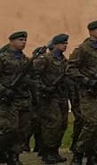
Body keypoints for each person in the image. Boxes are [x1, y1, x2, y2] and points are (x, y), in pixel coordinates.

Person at [67, 20, 97, 165]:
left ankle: (93, 155)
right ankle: (78, 153)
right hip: (88, 92)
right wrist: (86, 80)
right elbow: (71, 69)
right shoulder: (82, 49)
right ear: (91, 31)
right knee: (92, 123)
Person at [33, 33, 70, 165]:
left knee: (62, 124)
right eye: (62, 43)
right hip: (48, 97)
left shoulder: (64, 61)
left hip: (61, 96)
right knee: (52, 124)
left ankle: (54, 150)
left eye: (66, 43)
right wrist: (43, 88)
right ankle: (47, 151)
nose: (65, 46)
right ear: (55, 45)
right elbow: (34, 75)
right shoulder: (45, 59)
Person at [0, 31, 36, 165]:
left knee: (22, 130)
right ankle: (3, 151)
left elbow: (33, 79)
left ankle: (14, 156)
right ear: (11, 41)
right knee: (10, 129)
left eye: (25, 40)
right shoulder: (3, 58)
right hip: (8, 101)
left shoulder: (26, 60)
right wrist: (4, 90)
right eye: (21, 40)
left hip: (24, 99)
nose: (24, 42)